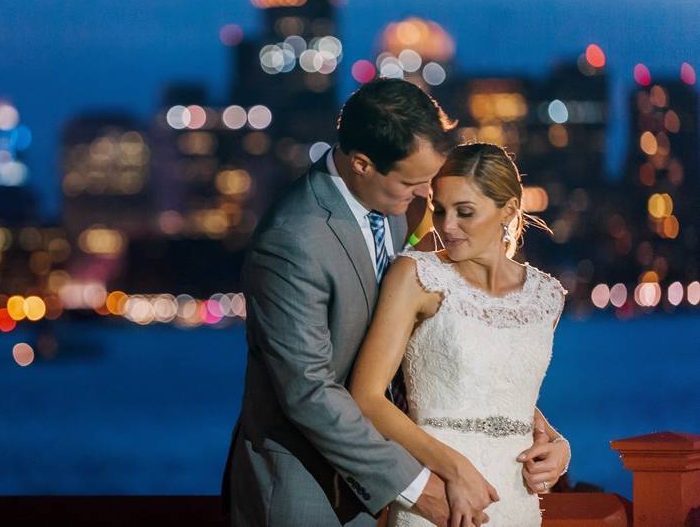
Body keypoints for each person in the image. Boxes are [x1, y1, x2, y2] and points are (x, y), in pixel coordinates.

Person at [221, 78, 457, 526]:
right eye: (412, 182)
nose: (425, 195)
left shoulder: (392, 208)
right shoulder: (291, 239)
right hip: (304, 488)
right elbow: (307, 390)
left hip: (378, 478)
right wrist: (412, 485)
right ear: (362, 164)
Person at [349, 143, 572, 526]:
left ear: (509, 210)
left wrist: (558, 444)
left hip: (516, 500)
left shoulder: (546, 297)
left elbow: (498, 388)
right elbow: (366, 398)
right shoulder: (416, 276)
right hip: (439, 495)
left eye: (464, 212)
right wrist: (453, 467)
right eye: (439, 209)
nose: (446, 225)